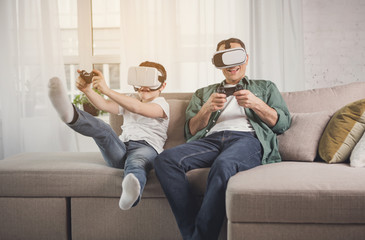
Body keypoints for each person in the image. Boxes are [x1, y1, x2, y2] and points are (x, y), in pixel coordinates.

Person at [154, 38, 291, 240]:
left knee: (224, 164)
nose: (231, 65)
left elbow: (282, 124)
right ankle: (195, 234)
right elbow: (190, 131)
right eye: (224, 59)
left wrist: (256, 104)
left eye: (236, 57)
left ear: (246, 58)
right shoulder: (203, 93)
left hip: (247, 139)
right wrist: (207, 109)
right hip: (210, 140)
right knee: (164, 160)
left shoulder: (265, 87)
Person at [48, 61, 169, 210]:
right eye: (140, 80)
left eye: (149, 82)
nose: (144, 87)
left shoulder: (162, 105)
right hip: (121, 148)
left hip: (146, 148)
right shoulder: (130, 98)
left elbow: (137, 108)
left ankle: (130, 196)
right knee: (104, 129)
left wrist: (106, 89)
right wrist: (87, 90)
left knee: (136, 162)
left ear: (162, 86)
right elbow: (104, 105)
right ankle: (71, 115)